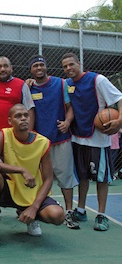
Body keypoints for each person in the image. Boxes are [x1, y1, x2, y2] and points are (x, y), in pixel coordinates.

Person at [0, 104, 64, 252]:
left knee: (57, 216)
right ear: (10, 121)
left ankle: (30, 216)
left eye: (26, 115)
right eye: (18, 116)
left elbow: (48, 178)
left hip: (32, 191)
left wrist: (34, 207)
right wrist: (21, 170)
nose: (23, 119)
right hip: (10, 190)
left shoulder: (42, 142)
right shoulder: (4, 135)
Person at [61, 52, 122, 231]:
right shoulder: (67, 84)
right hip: (77, 137)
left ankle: (101, 215)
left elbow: (119, 98)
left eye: (71, 64)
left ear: (79, 63)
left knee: (101, 178)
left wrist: (119, 121)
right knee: (82, 176)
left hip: (98, 139)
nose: (68, 68)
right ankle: (80, 209)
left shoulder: (98, 80)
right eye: (65, 66)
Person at [27, 54, 80, 229]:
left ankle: (70, 212)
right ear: (31, 70)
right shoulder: (28, 87)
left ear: (46, 67)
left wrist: (67, 122)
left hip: (60, 139)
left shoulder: (61, 83)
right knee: (39, 180)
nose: (39, 68)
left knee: (66, 177)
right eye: (35, 66)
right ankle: (35, 211)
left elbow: (70, 108)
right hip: (40, 143)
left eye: (41, 65)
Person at [0, 56, 35, 146]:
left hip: (14, 131)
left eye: (6, 66)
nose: (2, 69)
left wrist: (29, 132)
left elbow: (30, 109)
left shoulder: (22, 85)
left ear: (11, 68)